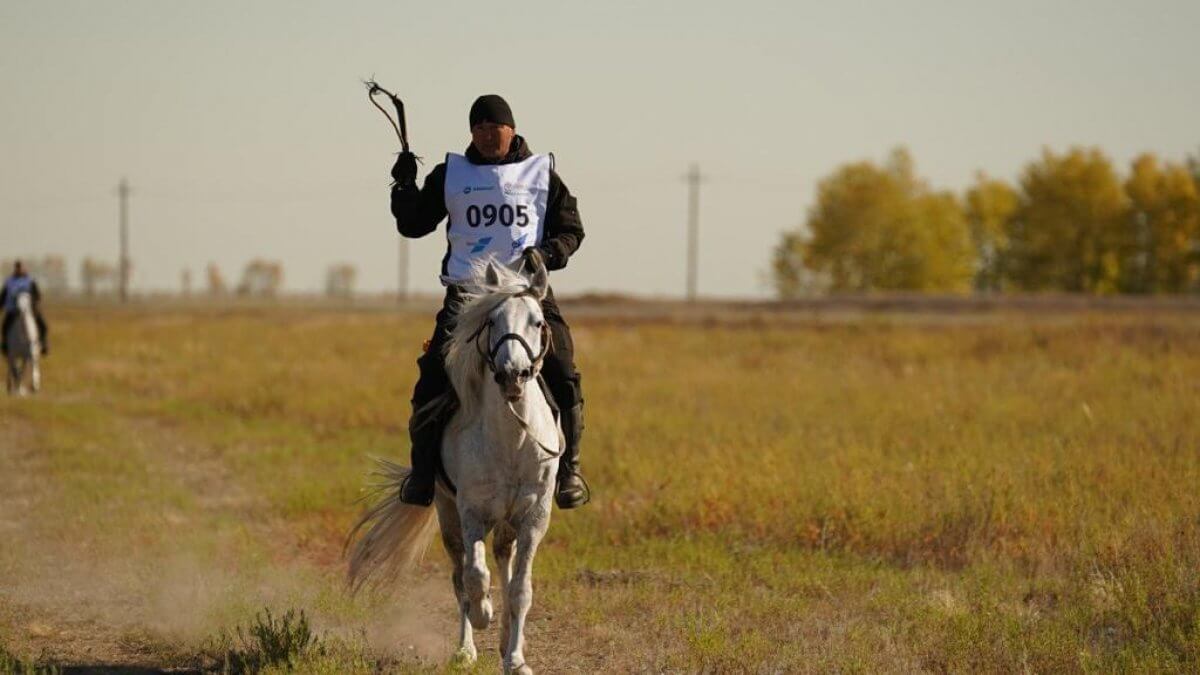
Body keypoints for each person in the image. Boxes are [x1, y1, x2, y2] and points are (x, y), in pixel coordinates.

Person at [390, 94, 589, 509]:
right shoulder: (451, 174)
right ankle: (423, 476)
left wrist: (548, 254)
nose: (485, 135)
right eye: (477, 128)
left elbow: (572, 230)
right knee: (431, 378)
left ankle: (568, 472)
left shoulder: (541, 174)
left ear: (511, 130)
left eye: (493, 127)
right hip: (467, 297)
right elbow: (413, 225)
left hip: (526, 294)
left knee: (563, 371)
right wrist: (404, 186)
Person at [1, 260, 49, 356]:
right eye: (17, 268)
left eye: (21, 268)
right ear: (15, 269)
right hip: (13, 310)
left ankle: (43, 344)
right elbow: (3, 296)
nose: (19, 270)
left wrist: (35, 304)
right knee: (4, 327)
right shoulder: (9, 281)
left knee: (43, 325)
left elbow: (37, 295)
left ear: (24, 268)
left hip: (30, 310)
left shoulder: (30, 281)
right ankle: (5, 345)